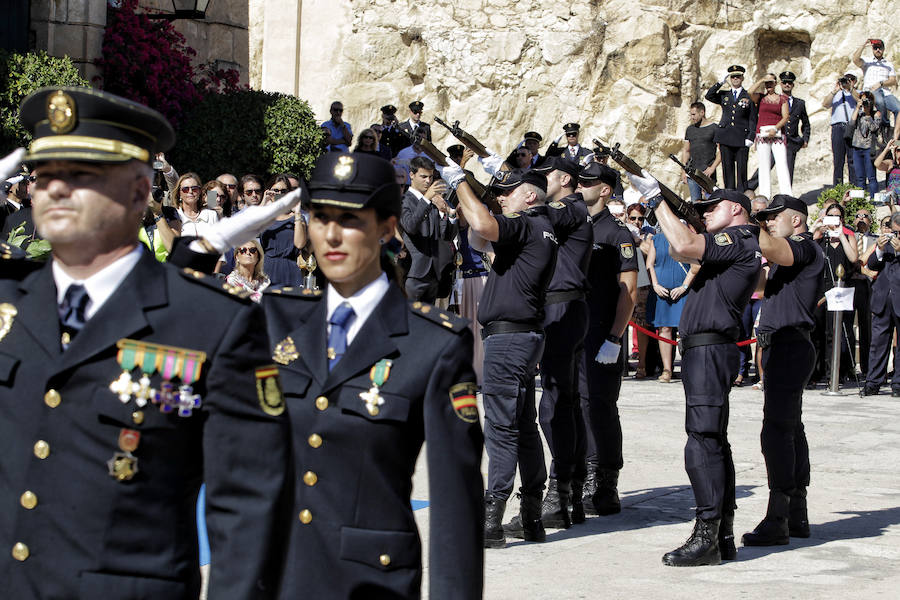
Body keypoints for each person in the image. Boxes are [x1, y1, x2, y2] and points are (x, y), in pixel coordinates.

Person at [1, 87, 292, 598]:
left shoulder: (210, 320)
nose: (56, 189)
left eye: (82, 175)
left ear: (139, 193)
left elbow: (250, 505)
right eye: (45, 175)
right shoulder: (11, 301)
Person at [267, 152, 482, 598]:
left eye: (350, 220)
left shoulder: (432, 343)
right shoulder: (277, 320)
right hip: (279, 577)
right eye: (320, 218)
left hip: (370, 583)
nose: (331, 235)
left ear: (386, 228)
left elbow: (455, 508)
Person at [632, 175, 761, 566]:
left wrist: (656, 200)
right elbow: (679, 248)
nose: (705, 214)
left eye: (713, 208)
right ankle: (722, 534)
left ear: (736, 209)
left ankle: (707, 534)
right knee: (713, 440)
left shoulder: (739, 237)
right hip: (706, 348)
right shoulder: (730, 243)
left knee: (702, 441)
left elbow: (686, 245)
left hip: (709, 348)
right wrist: (665, 208)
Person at [440, 157, 557, 549]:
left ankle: (492, 516)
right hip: (523, 335)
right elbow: (491, 245)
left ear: (529, 196)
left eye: (508, 193)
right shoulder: (543, 228)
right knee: (523, 425)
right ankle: (532, 514)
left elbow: (483, 225)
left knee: (501, 427)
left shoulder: (525, 223)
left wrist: (459, 182)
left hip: (508, 339)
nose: (502, 199)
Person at [505, 157, 592, 533]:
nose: (542, 183)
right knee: (565, 404)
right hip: (561, 307)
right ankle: (569, 492)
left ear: (565, 179)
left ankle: (559, 492)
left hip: (562, 307)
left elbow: (531, 215)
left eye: (547, 176)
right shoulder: (571, 210)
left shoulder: (569, 207)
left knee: (554, 407)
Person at [742, 195, 823, 546]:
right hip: (782, 345)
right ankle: (796, 513)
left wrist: (744, 225)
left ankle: (778, 516)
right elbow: (759, 286)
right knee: (790, 428)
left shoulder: (802, 246)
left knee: (776, 431)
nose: (770, 222)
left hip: (790, 344)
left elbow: (772, 248)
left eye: (776, 217)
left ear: (797, 220)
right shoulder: (786, 255)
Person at [577, 162, 638, 516]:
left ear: (604, 190)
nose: (580, 186)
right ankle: (584, 472)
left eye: (588, 182)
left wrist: (615, 336)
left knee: (600, 406)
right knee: (577, 404)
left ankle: (605, 480)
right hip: (575, 330)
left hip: (602, 331)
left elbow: (629, 290)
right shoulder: (575, 226)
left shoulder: (617, 234)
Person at [811, 203, 859, 385]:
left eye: (837, 216)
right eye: (830, 215)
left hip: (839, 287)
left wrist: (841, 235)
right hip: (819, 288)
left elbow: (853, 258)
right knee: (816, 331)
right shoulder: (821, 237)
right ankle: (814, 373)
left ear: (842, 219)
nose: (833, 219)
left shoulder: (848, 235)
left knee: (834, 332)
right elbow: (806, 248)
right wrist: (815, 228)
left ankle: (834, 373)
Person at [399, 156, 458, 303]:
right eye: (423, 176)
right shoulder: (404, 200)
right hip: (413, 274)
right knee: (410, 317)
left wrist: (449, 214)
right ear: (412, 175)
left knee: (429, 317)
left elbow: (446, 236)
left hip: (434, 274)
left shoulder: (432, 202)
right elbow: (411, 226)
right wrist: (426, 199)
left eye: (430, 177)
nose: (428, 181)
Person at [646, 229, 695, 383]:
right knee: (664, 329)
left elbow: (695, 266)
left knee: (686, 330)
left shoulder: (688, 237)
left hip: (683, 290)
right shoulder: (656, 239)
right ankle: (667, 369)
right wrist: (655, 285)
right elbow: (650, 264)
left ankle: (689, 368)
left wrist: (684, 287)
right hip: (661, 290)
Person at [860, 212, 900, 397]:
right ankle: (873, 382)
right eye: (893, 232)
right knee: (878, 342)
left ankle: (898, 384)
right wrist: (880, 250)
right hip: (882, 298)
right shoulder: (886, 244)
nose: (895, 236)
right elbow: (872, 265)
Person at [705, 65, 756, 191]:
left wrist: (751, 137)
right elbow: (709, 96)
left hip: (741, 137)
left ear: (742, 78)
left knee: (742, 170)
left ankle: (741, 195)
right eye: (733, 77)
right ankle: (729, 193)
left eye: (738, 76)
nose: (735, 79)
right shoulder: (724, 94)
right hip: (726, 136)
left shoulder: (748, 96)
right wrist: (720, 82)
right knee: (727, 169)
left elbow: (752, 119)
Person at [748, 73, 792, 199]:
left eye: (771, 83)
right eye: (766, 83)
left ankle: (787, 194)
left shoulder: (782, 99)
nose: (768, 85)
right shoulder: (761, 98)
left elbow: (785, 116)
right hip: (762, 134)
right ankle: (765, 195)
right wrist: (762, 79)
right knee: (764, 165)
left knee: (782, 163)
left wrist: (776, 128)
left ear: (776, 83)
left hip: (777, 134)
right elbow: (749, 92)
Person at [852, 38, 899, 130]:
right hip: (871, 91)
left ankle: (896, 132)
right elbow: (855, 60)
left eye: (880, 48)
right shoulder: (867, 61)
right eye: (875, 48)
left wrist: (881, 83)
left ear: (883, 49)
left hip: (885, 92)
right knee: (880, 102)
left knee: (898, 108)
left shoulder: (888, 64)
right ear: (872, 49)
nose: (878, 50)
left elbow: (893, 80)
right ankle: (884, 126)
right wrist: (863, 45)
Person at [823, 73, 860, 185]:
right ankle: (838, 187)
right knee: (838, 160)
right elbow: (825, 104)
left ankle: (854, 186)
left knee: (853, 159)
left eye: (851, 79)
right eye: (846, 80)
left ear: (854, 81)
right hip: (837, 127)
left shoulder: (857, 92)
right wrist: (835, 90)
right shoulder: (836, 94)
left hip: (852, 127)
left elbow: (860, 100)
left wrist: (850, 88)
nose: (848, 81)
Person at [681, 101, 721, 201]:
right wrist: (683, 171)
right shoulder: (690, 129)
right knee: (696, 202)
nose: (692, 117)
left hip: (707, 173)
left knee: (711, 201)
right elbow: (686, 150)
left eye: (694, 114)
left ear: (702, 113)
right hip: (692, 172)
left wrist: (712, 168)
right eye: (691, 114)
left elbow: (721, 151)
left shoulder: (714, 128)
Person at [779, 71, 811, 182]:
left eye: (789, 83)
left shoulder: (800, 103)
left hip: (791, 141)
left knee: (788, 170)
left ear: (793, 85)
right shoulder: (775, 100)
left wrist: (805, 139)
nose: (787, 85)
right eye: (784, 82)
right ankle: (750, 188)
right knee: (766, 165)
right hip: (776, 139)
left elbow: (805, 123)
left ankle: (787, 192)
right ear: (780, 84)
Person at [849, 92, 882, 195]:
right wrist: (857, 108)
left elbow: (873, 128)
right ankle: (860, 200)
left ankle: (873, 199)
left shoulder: (876, 114)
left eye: (866, 100)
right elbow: (851, 123)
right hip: (857, 148)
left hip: (869, 148)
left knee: (871, 176)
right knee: (860, 177)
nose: (865, 102)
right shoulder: (858, 113)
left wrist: (868, 115)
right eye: (862, 100)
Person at [175, 171, 219, 238]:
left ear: (199, 192)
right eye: (185, 189)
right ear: (179, 194)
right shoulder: (174, 216)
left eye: (194, 189)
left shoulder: (211, 215)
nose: (190, 191)